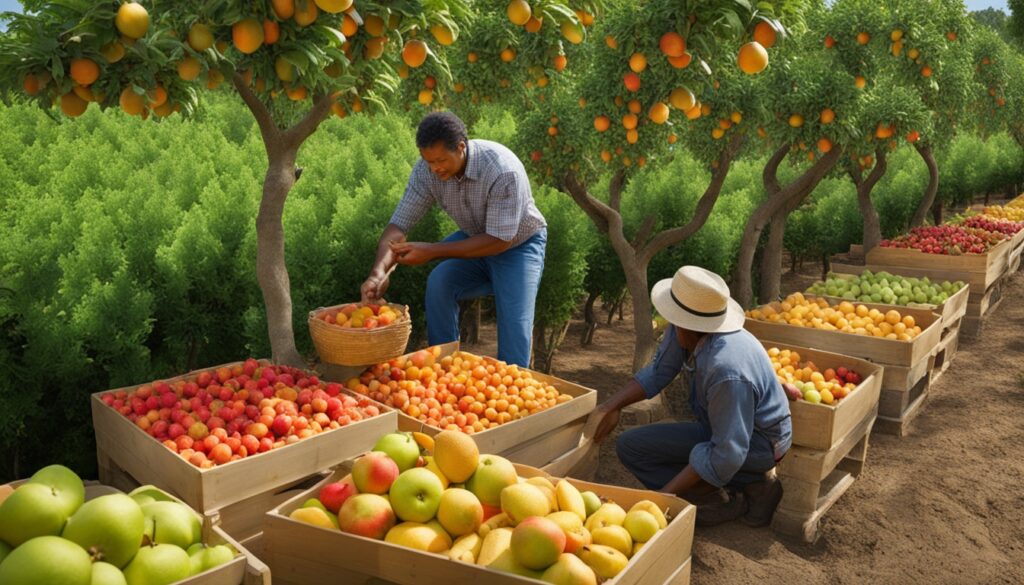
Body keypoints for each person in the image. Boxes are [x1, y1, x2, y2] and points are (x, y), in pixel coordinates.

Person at [588, 265, 792, 527]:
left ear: (688, 324)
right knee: (631, 446)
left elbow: (728, 451)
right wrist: (610, 406)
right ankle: (715, 495)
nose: (668, 324)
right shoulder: (688, 330)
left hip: (759, 443)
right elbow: (660, 370)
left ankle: (753, 486)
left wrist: (662, 498)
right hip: (724, 428)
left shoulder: (726, 370)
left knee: (704, 454)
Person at [360, 112, 547, 367]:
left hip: (518, 245)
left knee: (515, 324)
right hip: (476, 239)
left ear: (461, 147)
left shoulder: (502, 169)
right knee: (440, 282)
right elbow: (399, 224)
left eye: (440, 160)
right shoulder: (427, 173)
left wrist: (433, 251)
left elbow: (500, 240)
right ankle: (444, 367)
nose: (435, 168)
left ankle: (517, 394)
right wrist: (379, 272)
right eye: (429, 162)